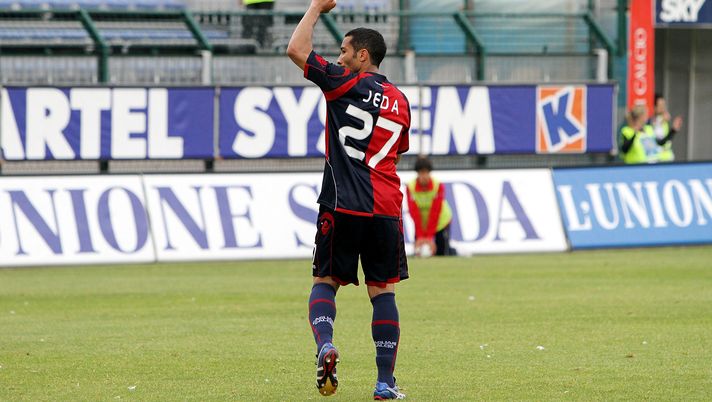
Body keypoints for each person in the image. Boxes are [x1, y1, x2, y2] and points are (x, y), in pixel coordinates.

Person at [287, 0, 411, 399]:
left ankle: (325, 345)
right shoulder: (401, 100)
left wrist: (315, 8)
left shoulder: (343, 81)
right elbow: (397, 151)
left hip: (342, 203)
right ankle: (383, 383)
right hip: (387, 209)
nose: (338, 56)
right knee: (384, 292)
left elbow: (296, 50)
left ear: (362, 55)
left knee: (325, 281)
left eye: (343, 51)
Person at [406, 156, 455, 257]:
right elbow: (414, 213)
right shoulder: (410, 187)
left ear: (429, 172)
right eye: (421, 173)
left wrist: (428, 237)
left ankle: (455, 252)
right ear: (417, 173)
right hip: (422, 224)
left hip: (441, 223)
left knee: (442, 253)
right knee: (418, 253)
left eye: (426, 172)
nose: (423, 176)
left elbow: (435, 212)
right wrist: (420, 236)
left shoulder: (438, 186)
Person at [650, 93, 683, 162]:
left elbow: (666, 139)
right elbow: (659, 141)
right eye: (660, 105)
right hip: (657, 159)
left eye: (664, 105)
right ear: (654, 107)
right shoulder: (651, 122)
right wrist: (660, 123)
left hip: (667, 158)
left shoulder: (663, 120)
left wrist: (673, 129)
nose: (663, 108)